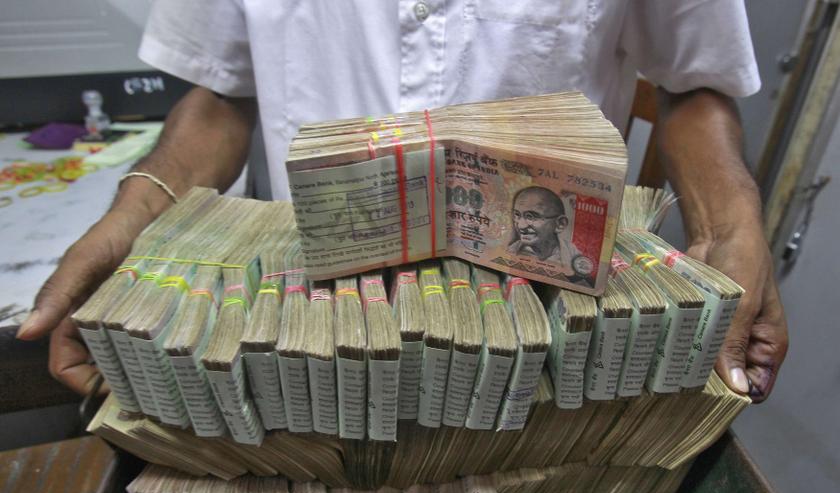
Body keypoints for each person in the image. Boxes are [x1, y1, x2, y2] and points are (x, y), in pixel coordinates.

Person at [16, 0, 787, 404]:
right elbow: (219, 87)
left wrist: (732, 224)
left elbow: (691, 82)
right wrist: (136, 213)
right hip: (310, 316)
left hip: (543, 335)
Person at [507, 186, 583, 274]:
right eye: (517, 215)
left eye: (531, 217)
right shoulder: (510, 251)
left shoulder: (574, 257)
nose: (521, 226)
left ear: (560, 224)